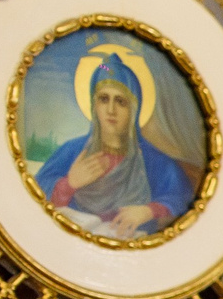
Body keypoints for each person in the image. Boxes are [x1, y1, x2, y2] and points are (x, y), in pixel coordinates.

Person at [31, 53, 192, 239]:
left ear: (134, 109)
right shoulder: (72, 151)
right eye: (104, 99)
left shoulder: (154, 160)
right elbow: (35, 195)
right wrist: (69, 184)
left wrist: (149, 211)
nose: (111, 110)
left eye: (121, 101)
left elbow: (183, 199)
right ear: (94, 105)